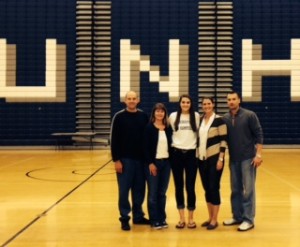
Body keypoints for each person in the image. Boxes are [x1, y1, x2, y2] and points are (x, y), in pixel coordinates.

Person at [222, 91, 263, 231]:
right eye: (229, 100)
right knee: (235, 189)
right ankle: (237, 216)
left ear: (239, 100)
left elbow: (258, 134)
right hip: (233, 159)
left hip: (248, 159)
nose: (231, 102)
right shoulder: (225, 118)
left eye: (234, 99)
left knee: (248, 190)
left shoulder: (249, 115)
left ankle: (248, 219)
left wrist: (258, 155)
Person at [110, 91, 150, 231]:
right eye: (129, 99)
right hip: (125, 161)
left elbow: (148, 139)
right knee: (124, 191)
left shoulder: (144, 116)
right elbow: (113, 140)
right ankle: (125, 218)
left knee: (139, 190)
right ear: (125, 101)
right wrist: (116, 160)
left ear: (138, 100)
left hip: (141, 161)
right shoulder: (119, 117)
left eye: (134, 98)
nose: (132, 101)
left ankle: (138, 216)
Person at [169, 94, 200, 229]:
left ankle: (191, 218)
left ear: (190, 104)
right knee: (178, 186)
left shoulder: (197, 116)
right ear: (180, 103)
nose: (185, 104)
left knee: (190, 187)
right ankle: (181, 218)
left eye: (188, 102)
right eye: (183, 102)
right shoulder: (172, 116)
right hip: (176, 154)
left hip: (191, 155)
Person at [197, 97, 227, 230]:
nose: (206, 106)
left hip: (215, 158)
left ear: (213, 105)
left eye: (209, 103)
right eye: (204, 104)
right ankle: (210, 217)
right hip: (202, 159)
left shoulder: (219, 120)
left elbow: (224, 140)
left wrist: (221, 158)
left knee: (214, 187)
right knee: (207, 188)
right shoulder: (200, 120)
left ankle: (215, 219)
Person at [143, 103, 172, 230]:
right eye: (157, 111)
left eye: (162, 111)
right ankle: (154, 220)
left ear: (165, 113)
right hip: (153, 164)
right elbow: (145, 148)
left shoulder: (168, 128)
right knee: (153, 193)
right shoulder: (149, 128)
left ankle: (162, 218)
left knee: (162, 193)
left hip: (166, 164)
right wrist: (150, 163)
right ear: (154, 113)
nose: (160, 113)